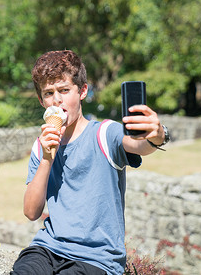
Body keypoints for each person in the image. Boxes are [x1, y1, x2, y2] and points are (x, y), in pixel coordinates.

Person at [10, 50, 169, 275]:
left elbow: (139, 146)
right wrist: (47, 158)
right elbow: (31, 211)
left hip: (97, 258)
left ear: (82, 91)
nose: (57, 100)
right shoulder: (41, 146)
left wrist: (158, 134)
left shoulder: (104, 133)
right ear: (41, 100)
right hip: (48, 248)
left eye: (64, 90)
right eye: (49, 93)